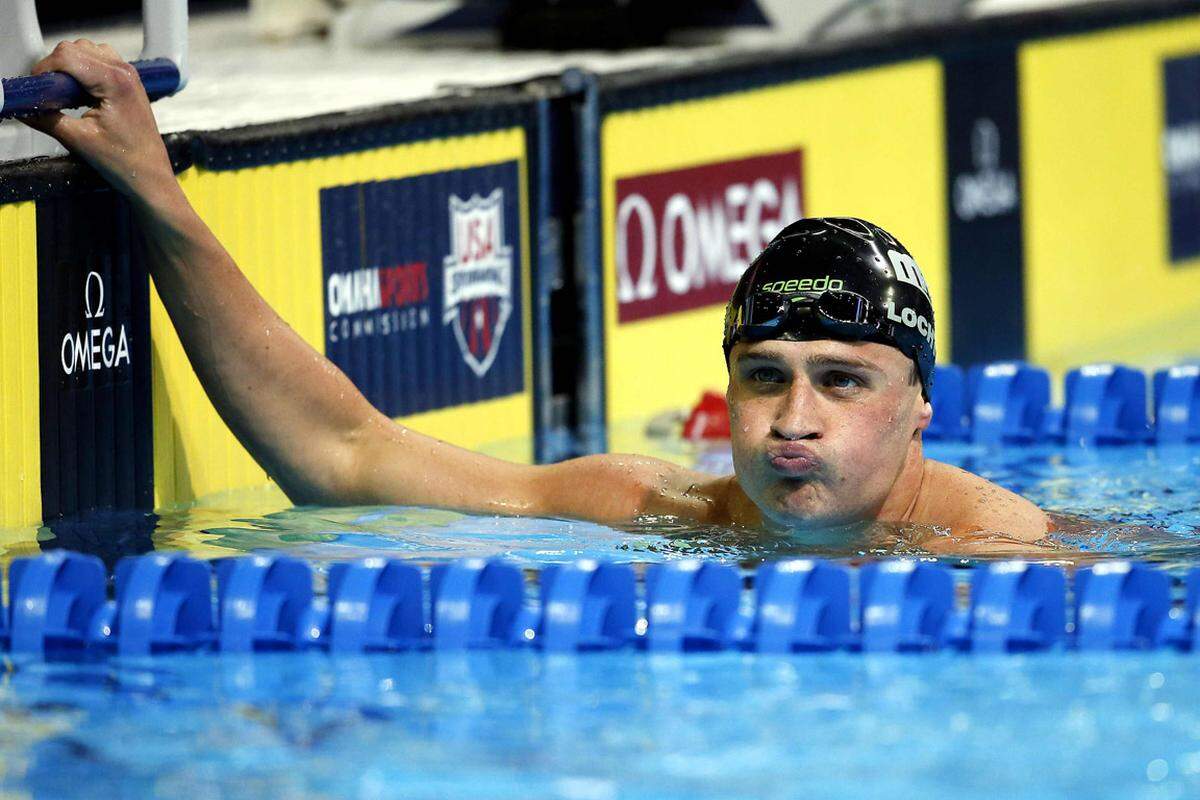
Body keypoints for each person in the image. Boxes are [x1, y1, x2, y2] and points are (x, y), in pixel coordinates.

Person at [24, 40, 1051, 553]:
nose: (792, 418)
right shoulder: (659, 509)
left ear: (923, 403)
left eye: (842, 380)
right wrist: (155, 190)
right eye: (764, 375)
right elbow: (344, 452)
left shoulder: (1010, 557)